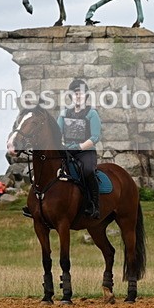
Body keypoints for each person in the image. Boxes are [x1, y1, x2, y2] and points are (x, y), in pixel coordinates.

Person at [59, 79, 102, 218]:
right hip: (66, 151)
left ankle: (94, 205)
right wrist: (63, 146)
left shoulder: (92, 113)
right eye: (75, 93)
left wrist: (79, 147)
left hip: (85, 152)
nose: (78, 96)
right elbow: (58, 133)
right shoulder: (64, 113)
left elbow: (95, 136)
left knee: (88, 171)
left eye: (81, 93)